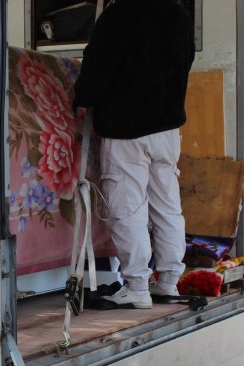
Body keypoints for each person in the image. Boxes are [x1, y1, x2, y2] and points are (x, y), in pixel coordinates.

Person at [73, 0, 196, 308]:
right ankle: (169, 282)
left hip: (126, 127)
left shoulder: (119, 14)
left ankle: (137, 286)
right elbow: (187, 60)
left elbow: (97, 68)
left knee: (128, 207)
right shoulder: (178, 13)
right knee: (167, 205)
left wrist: (83, 95)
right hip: (167, 128)